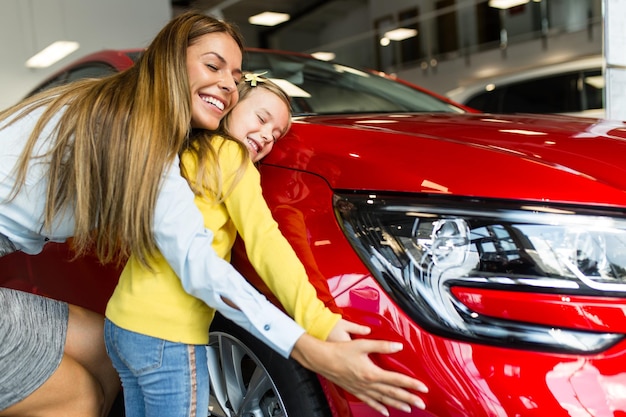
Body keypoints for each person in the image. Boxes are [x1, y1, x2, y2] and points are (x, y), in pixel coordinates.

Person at [0, 11, 426, 417]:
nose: (227, 86)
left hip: (113, 317)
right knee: (78, 399)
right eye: (213, 66)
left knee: (105, 351)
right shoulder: (132, 133)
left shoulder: (146, 130)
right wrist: (310, 347)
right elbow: (202, 267)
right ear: (170, 61)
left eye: (236, 78)